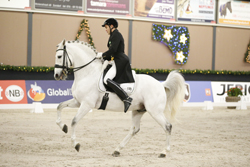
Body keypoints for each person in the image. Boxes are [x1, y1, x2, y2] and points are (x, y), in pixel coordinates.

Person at [96, 18, 134, 113]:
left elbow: (113, 50)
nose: (105, 29)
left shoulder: (116, 35)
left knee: (106, 79)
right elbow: (112, 53)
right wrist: (103, 58)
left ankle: (126, 98)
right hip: (115, 60)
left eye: (106, 27)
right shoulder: (112, 35)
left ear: (111, 26)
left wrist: (103, 55)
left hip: (120, 60)